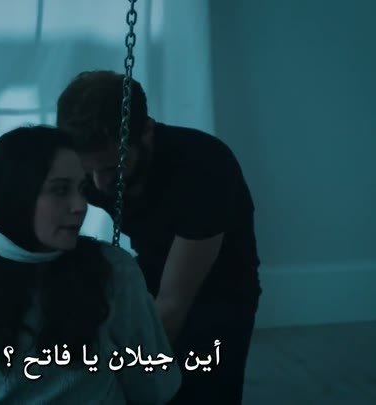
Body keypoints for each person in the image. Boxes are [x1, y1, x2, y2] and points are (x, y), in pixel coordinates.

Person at [0, 125, 181, 404]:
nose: (80, 205)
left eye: (82, 189)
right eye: (60, 190)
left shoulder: (114, 272)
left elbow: (153, 388)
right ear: (17, 195)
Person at [56, 70, 262, 405]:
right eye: (88, 169)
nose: (99, 184)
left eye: (111, 168)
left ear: (147, 130)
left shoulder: (203, 166)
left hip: (222, 290)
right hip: (149, 271)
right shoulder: (82, 167)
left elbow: (172, 304)